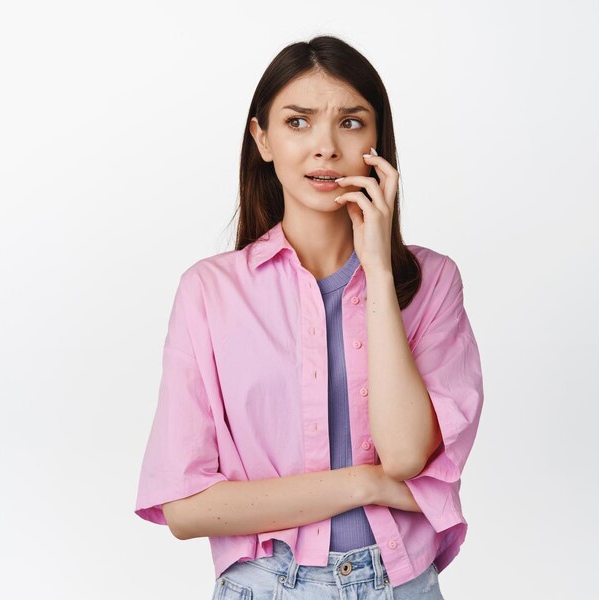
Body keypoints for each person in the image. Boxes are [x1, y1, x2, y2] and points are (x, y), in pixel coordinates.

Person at [133, 35, 484, 600]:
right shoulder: (209, 292)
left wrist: (377, 269)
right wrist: (366, 484)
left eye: (351, 123)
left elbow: (403, 455)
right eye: (298, 122)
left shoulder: (433, 282)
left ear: (378, 141)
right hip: (266, 586)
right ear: (262, 139)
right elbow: (185, 507)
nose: (325, 148)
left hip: (400, 584)